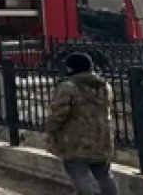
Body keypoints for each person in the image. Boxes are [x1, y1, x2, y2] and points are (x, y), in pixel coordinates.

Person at [44, 53, 118, 195]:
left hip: (76, 139)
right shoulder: (104, 86)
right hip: (102, 137)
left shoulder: (68, 87)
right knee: (104, 174)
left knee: (80, 175)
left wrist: (50, 130)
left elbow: (59, 114)